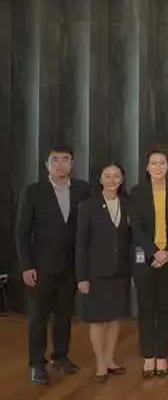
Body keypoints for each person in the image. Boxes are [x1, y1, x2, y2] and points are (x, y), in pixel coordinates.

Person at [16, 144, 90, 385]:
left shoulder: (83, 190)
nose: (60, 164)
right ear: (47, 164)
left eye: (65, 159)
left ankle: (60, 357)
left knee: (64, 314)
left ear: (72, 163)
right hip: (41, 266)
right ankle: (37, 364)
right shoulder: (33, 192)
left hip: (70, 265)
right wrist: (26, 265)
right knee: (38, 316)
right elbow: (22, 232)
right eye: (55, 160)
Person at [131, 148, 168, 377]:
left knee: (166, 308)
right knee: (146, 308)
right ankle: (148, 356)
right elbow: (136, 228)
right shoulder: (137, 192)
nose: (158, 167)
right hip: (145, 258)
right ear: (147, 167)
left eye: (162, 163)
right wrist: (154, 252)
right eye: (153, 163)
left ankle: (162, 356)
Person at [76, 162, 131, 383]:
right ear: (100, 179)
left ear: (122, 179)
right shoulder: (88, 206)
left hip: (121, 270)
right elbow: (81, 244)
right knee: (97, 319)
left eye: (116, 175)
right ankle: (100, 363)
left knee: (115, 318)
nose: (112, 180)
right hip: (96, 272)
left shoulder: (128, 204)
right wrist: (82, 277)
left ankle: (109, 359)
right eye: (107, 176)